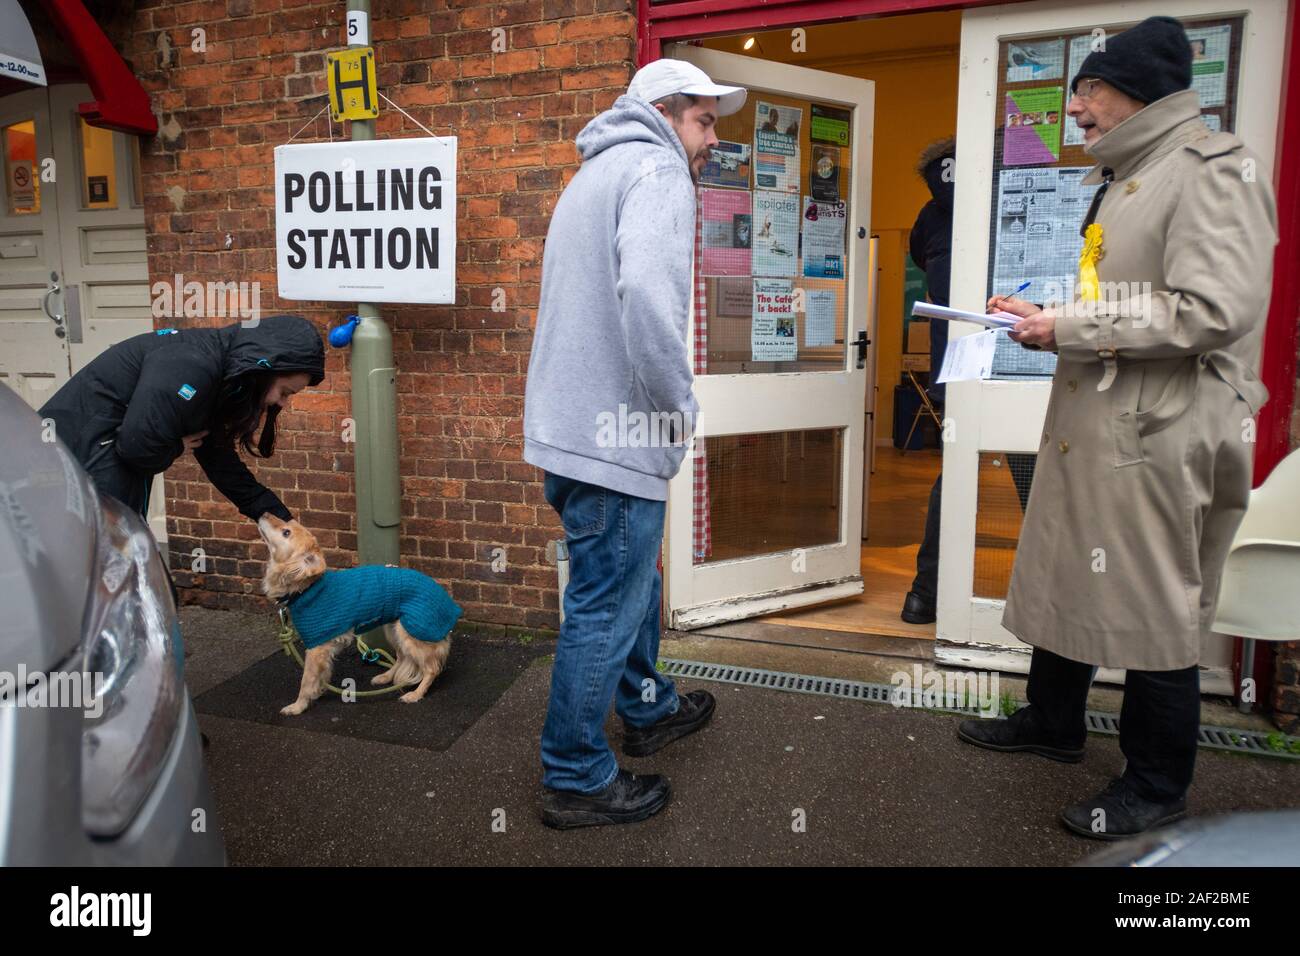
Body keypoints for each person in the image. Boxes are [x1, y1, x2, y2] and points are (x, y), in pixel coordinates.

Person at [958, 17, 1277, 840]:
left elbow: (1212, 310)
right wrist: (1053, 315)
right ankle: (1054, 723)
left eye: (1089, 92)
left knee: (1150, 601)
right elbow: (1134, 300)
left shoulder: (1211, 171)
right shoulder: (1134, 173)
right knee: (1068, 563)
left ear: (1137, 93)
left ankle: (1156, 782)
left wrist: (1066, 329)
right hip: (1104, 416)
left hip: (1160, 430)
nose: (1077, 112)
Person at [523, 59, 746, 829]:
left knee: (631, 584)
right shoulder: (657, 169)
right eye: (705, 120)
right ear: (665, 111)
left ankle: (648, 706)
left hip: (573, 431)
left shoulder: (592, 174)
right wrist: (678, 407)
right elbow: (647, 298)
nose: (712, 139)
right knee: (608, 603)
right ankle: (574, 775)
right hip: (613, 437)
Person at [39, 314, 325, 524]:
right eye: (285, 391)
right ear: (264, 369)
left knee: (120, 569)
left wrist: (281, 519)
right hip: (70, 456)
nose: (283, 403)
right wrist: (175, 447)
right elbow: (137, 448)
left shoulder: (221, 377)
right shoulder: (193, 366)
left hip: (98, 458)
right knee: (105, 572)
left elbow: (218, 459)